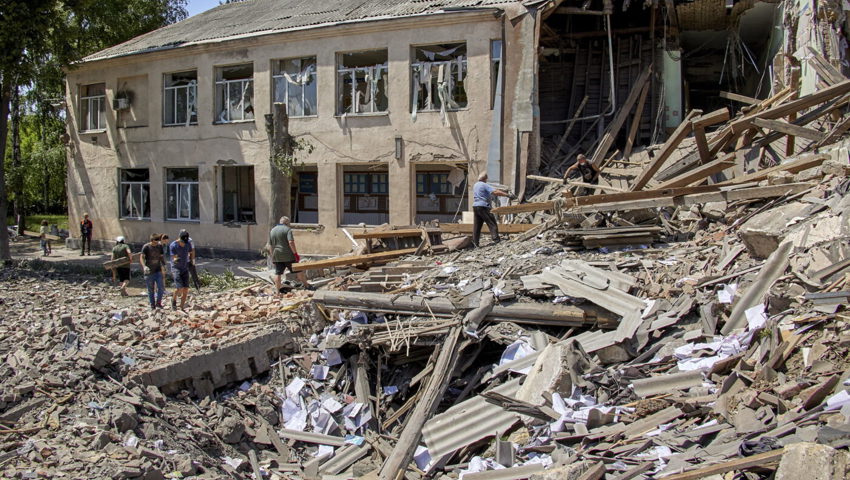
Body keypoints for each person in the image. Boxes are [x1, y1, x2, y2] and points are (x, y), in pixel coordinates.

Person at [269, 216, 309, 294]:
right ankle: (307, 285)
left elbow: (270, 245)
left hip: (277, 255)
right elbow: (291, 242)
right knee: (298, 270)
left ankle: (277, 292)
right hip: (288, 255)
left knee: (278, 273)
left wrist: (272, 257)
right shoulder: (288, 230)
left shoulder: (272, 230)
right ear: (287, 223)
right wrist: (295, 254)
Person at [472, 172, 513, 248]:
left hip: (475, 206)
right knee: (492, 223)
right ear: (485, 179)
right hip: (483, 206)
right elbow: (495, 192)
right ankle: (496, 239)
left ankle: (475, 243)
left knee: (477, 226)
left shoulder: (475, 185)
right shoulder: (484, 185)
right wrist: (507, 195)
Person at [169, 230, 195, 310]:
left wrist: (192, 261)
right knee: (179, 288)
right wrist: (176, 259)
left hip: (185, 267)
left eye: (185, 242)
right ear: (179, 238)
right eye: (182, 242)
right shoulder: (173, 245)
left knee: (186, 289)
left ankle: (181, 307)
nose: (183, 244)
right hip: (176, 268)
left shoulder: (188, 244)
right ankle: (173, 301)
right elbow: (173, 257)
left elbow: (191, 252)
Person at [140, 234, 166, 310]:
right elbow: (141, 257)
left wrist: (164, 265)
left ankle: (158, 303)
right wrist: (144, 266)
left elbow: (161, 257)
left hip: (158, 270)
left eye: (157, 242)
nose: (156, 244)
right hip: (149, 272)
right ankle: (152, 304)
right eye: (155, 242)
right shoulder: (146, 247)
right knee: (150, 289)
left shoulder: (159, 246)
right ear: (151, 241)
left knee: (161, 288)